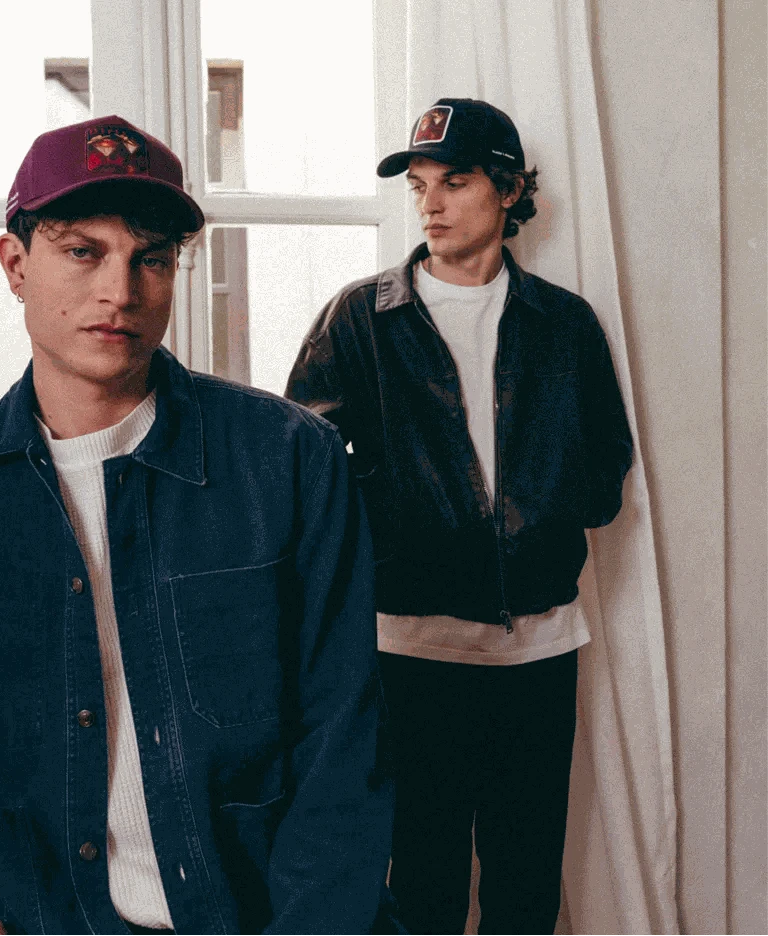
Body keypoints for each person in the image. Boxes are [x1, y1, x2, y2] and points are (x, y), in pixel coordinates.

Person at [0, 116, 398, 936]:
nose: (120, 292)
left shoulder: (288, 461)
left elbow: (347, 737)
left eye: (151, 259)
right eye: (83, 251)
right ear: (15, 264)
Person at [285, 98, 634, 936]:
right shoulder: (362, 318)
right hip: (412, 649)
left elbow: (604, 469)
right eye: (419, 185)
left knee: (526, 881)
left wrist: (539, 518)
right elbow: (306, 472)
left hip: (540, 645)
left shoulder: (564, 323)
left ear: (508, 191)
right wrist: (395, 528)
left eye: (456, 182)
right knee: (424, 879)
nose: (431, 204)